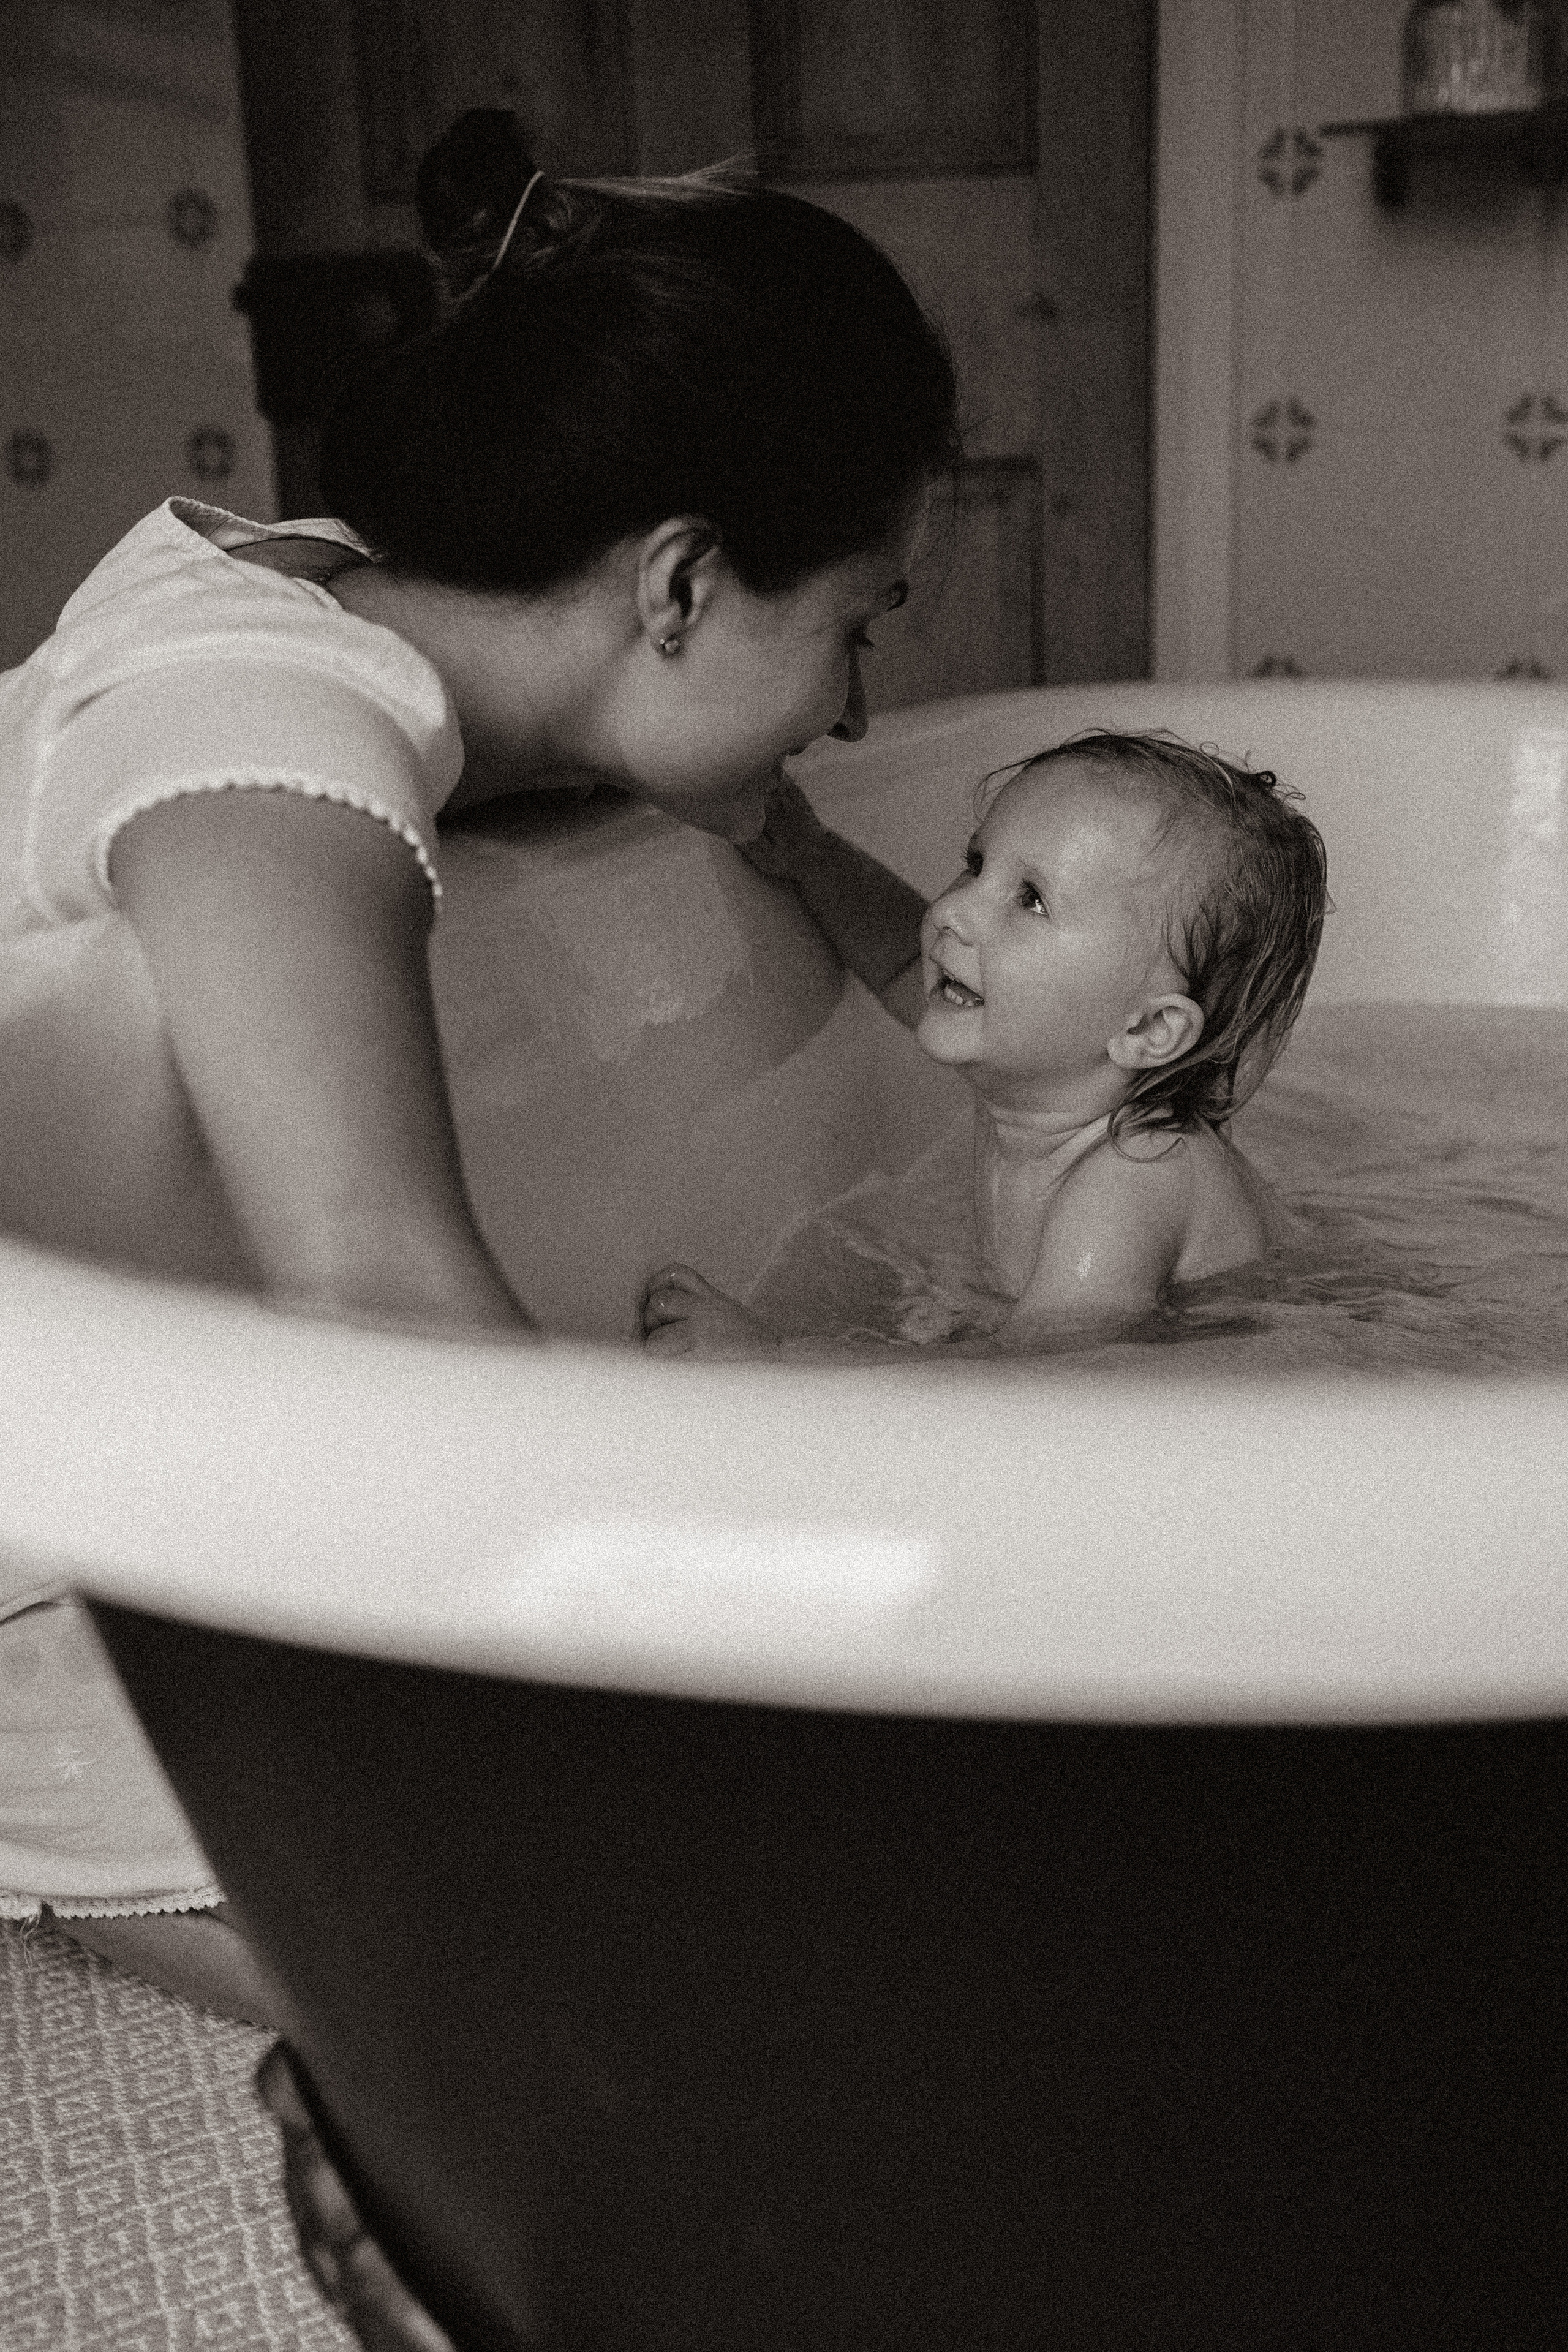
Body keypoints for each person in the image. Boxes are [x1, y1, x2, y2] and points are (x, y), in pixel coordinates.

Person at [0, 109, 959, 2021]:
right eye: (856, 625)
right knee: (569, 1974)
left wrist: (815, 857)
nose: (862, 701)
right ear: (678, 584)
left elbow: (762, 808)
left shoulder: (385, 606)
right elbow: (381, 1291)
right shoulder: (271, 751)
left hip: (97, 1413)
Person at [641, 729, 1329, 1358]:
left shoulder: (1128, 1184)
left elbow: (1023, 1385)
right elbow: (903, 965)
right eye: (975, 865)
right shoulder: (1052, 1077)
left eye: (1029, 899)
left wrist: (774, 1360)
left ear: (1146, 1030)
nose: (950, 911)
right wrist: (812, 859)